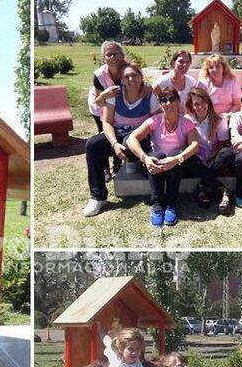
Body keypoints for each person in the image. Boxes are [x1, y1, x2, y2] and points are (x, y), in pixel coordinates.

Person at [84, 62, 160, 217]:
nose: (131, 79)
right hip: (117, 136)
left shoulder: (149, 95)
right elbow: (106, 122)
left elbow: (157, 122)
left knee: (128, 144)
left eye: (135, 75)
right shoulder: (115, 95)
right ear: (121, 80)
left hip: (139, 137)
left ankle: (134, 162)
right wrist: (114, 144)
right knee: (92, 145)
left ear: (141, 77)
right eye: (127, 76)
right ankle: (98, 196)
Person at [127, 87, 200, 227]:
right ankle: (157, 206)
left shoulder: (186, 122)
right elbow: (131, 139)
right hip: (156, 165)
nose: (168, 103)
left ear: (178, 101)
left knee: (174, 155)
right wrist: (145, 158)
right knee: (156, 156)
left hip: (176, 167)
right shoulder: (154, 121)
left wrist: (177, 159)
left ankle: (171, 204)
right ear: (160, 104)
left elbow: (195, 145)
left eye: (172, 98)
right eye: (164, 100)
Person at [186, 87, 236, 213]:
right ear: (191, 105)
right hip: (196, 160)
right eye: (196, 103)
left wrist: (209, 158)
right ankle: (222, 189)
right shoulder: (188, 119)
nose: (200, 106)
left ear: (208, 103)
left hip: (213, 160)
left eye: (203, 102)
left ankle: (203, 186)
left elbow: (223, 144)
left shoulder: (219, 120)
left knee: (227, 153)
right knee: (188, 158)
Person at [88, 40, 125, 132]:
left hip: (121, 106)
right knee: (104, 132)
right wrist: (104, 95)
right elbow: (98, 102)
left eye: (116, 53)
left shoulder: (130, 71)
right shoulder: (99, 75)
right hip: (100, 106)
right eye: (108, 55)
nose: (112, 57)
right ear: (104, 59)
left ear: (122, 55)